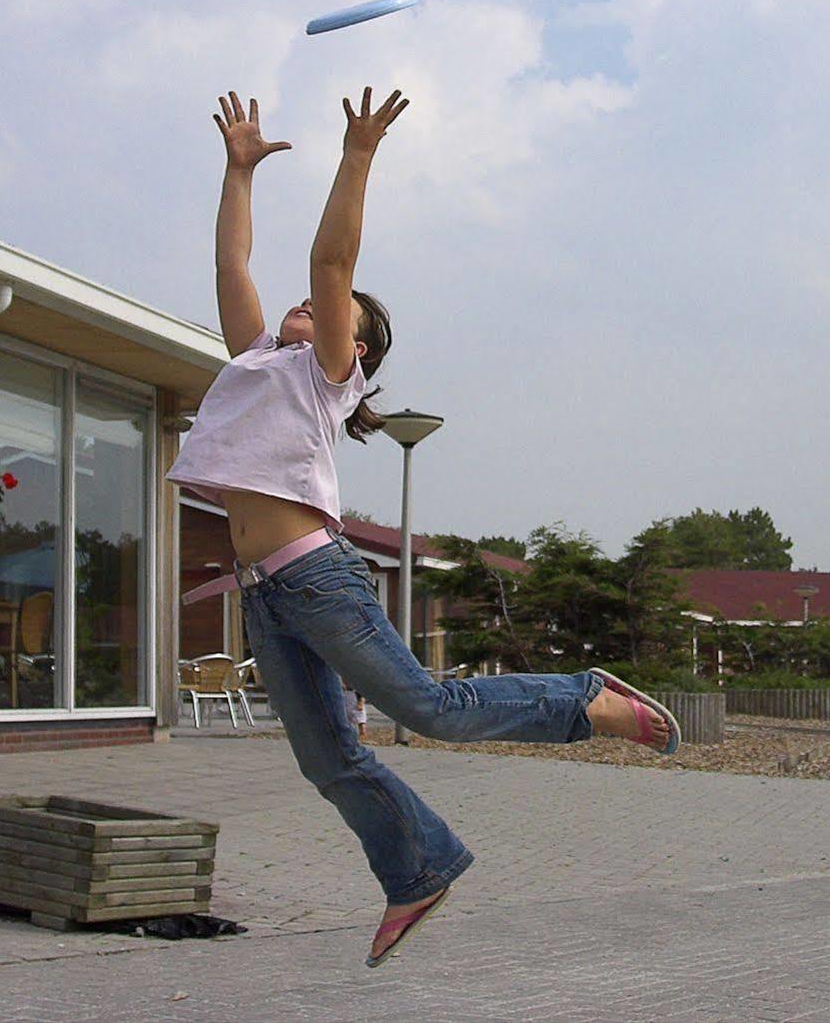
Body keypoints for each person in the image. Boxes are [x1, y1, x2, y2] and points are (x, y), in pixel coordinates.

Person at [168, 88, 682, 968]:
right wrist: (237, 171)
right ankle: (417, 869)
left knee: (429, 710)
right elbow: (229, 266)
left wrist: (357, 154)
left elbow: (331, 265)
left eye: (324, 314)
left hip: (314, 578)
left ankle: (580, 696)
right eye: (293, 306)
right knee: (327, 762)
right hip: (265, 600)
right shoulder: (256, 362)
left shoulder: (322, 375)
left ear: (353, 351)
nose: (300, 308)